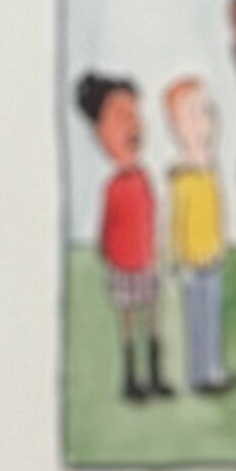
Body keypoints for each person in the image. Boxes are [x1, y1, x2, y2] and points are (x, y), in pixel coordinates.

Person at [76, 71, 166, 401]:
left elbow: (152, 216)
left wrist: (154, 248)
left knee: (152, 317)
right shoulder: (113, 187)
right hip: (123, 263)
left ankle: (155, 374)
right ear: (100, 133)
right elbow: (107, 226)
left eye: (134, 115)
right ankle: (131, 378)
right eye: (119, 117)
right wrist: (108, 251)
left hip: (145, 261)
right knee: (129, 320)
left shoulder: (143, 178)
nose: (133, 125)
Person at [161, 75, 235, 394]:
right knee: (196, 318)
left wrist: (220, 243)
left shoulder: (210, 169)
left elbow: (216, 214)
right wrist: (177, 256)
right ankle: (197, 373)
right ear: (177, 126)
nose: (204, 122)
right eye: (193, 114)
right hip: (192, 262)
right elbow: (176, 222)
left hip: (212, 257)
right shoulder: (182, 176)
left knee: (212, 315)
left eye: (207, 111)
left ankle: (212, 370)